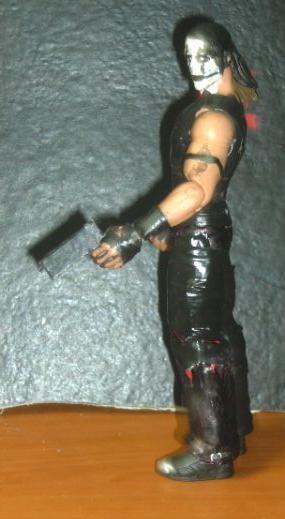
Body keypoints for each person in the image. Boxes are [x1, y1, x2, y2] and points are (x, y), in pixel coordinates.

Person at [91, 21, 257, 481]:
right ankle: (232, 429)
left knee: (197, 339)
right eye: (189, 57)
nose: (195, 66)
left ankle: (213, 451)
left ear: (226, 56)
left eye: (205, 55)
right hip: (201, 238)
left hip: (199, 242)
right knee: (218, 333)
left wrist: (136, 232)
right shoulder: (213, 110)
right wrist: (163, 231)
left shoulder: (213, 119)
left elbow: (197, 190)